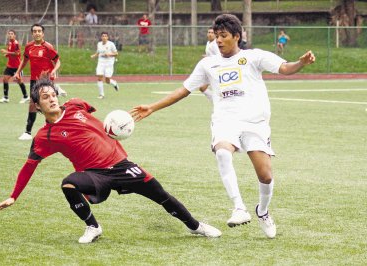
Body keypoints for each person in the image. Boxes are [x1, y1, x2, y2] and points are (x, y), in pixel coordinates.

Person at [131, 14, 315, 239]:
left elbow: (285, 68)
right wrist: (152, 107)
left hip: (255, 123)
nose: (218, 40)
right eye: (216, 36)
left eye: (223, 36)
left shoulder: (253, 57)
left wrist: (301, 63)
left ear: (236, 36)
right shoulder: (208, 64)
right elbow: (184, 90)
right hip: (225, 121)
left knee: (265, 176)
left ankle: (263, 211)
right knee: (222, 151)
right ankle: (239, 207)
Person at [0, 77, 222, 243]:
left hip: (121, 164)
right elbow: (29, 166)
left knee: (160, 195)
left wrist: (112, 129)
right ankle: (93, 227)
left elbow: (95, 115)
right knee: (68, 184)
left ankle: (196, 226)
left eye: (53, 94)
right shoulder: (44, 136)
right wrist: (13, 196)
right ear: (37, 105)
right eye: (45, 97)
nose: (51, 99)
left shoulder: (76, 105)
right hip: (94, 174)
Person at [13, 23, 67, 141]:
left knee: (49, 107)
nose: (37, 33)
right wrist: (18, 72)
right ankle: (28, 132)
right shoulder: (29, 47)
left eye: (39, 31)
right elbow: (24, 60)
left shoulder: (48, 47)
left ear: (43, 33)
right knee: (33, 105)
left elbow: (58, 61)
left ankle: (58, 130)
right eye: (35, 31)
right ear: (32, 33)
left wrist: (54, 70)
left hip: (46, 80)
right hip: (34, 80)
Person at [0, 30, 29, 104]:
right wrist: (7, 55)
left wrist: (6, 52)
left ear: (15, 35)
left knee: (19, 81)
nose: (10, 35)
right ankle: (5, 97)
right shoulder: (10, 42)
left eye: (12, 34)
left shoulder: (16, 43)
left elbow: (17, 53)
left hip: (17, 66)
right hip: (10, 66)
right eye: (9, 34)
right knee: (5, 79)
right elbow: (11, 53)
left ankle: (26, 96)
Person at [90, 32, 119, 99]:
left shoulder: (111, 44)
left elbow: (116, 53)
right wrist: (94, 55)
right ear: (101, 37)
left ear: (107, 37)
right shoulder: (99, 44)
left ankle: (114, 83)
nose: (104, 37)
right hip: (101, 62)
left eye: (105, 36)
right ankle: (101, 95)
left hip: (109, 63)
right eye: (103, 36)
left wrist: (109, 54)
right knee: (99, 77)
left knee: (107, 80)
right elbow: (98, 52)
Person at [199, 27, 220, 102]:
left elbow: (220, 56)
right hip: (210, 70)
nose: (210, 34)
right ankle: (215, 101)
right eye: (209, 32)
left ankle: (218, 103)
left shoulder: (216, 44)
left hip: (217, 70)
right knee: (202, 88)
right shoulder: (208, 43)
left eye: (212, 33)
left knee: (217, 90)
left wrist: (208, 57)